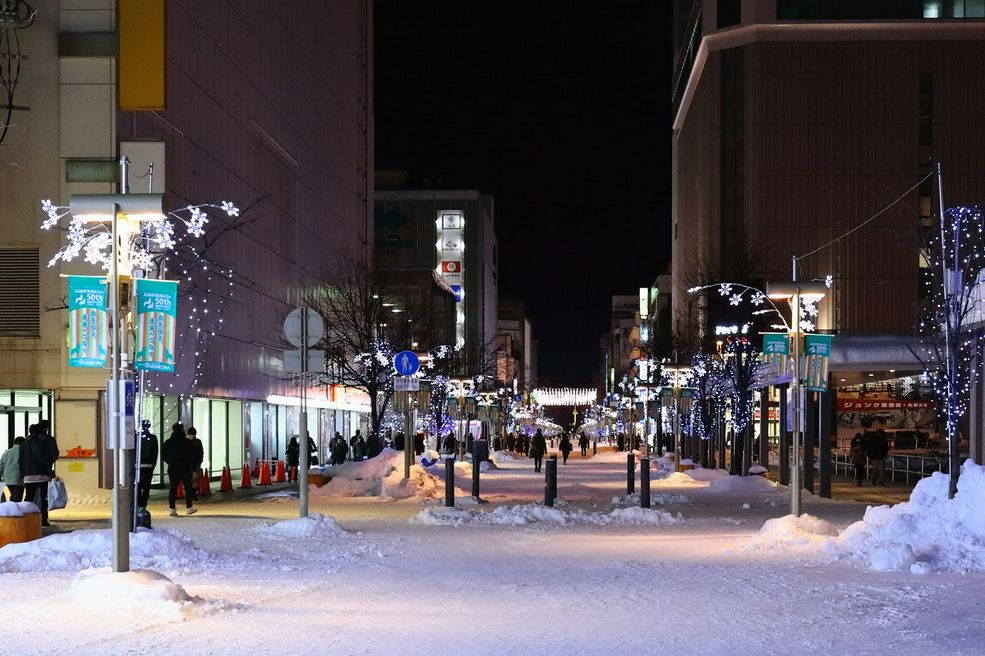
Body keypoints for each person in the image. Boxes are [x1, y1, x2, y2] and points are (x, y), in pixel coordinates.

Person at [162, 423, 197, 516]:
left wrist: (171, 462)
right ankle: (189, 508)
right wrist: (194, 469)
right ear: (182, 430)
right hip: (185, 468)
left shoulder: (168, 442)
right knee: (188, 488)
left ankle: (172, 509)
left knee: (173, 489)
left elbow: (163, 456)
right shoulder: (187, 442)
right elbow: (191, 457)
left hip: (173, 468)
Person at [136, 421, 159, 509]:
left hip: (138, 466)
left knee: (138, 486)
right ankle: (143, 505)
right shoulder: (153, 438)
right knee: (146, 487)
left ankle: (138, 504)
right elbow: (155, 453)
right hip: (149, 466)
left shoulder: (137, 437)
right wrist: (153, 465)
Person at [1, 436, 25, 502]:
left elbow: (1, 466)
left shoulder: (6, 453)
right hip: (18, 478)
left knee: (13, 495)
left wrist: (2, 476)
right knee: (17, 497)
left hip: (7, 478)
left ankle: (12, 508)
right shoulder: (24, 452)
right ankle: (14, 510)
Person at [187, 427, 204, 501]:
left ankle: (190, 494)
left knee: (189, 479)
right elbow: (201, 452)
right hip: (196, 463)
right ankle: (193, 493)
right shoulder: (197, 442)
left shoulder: (186, 441)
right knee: (195, 479)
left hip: (188, 464)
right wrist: (200, 461)